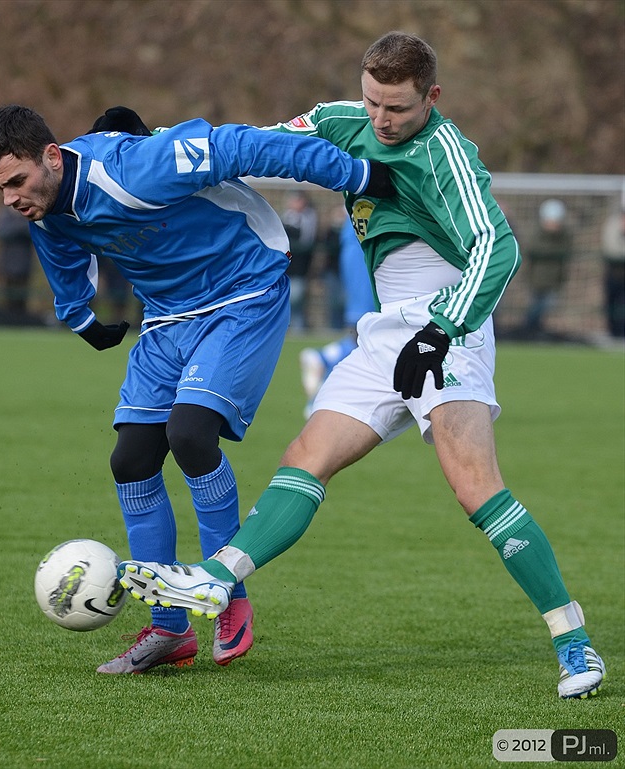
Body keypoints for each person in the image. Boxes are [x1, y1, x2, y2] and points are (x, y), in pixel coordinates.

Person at [118, 32, 605, 700]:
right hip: (383, 334)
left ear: (431, 97)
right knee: (306, 456)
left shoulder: (446, 154)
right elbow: (248, 143)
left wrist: (443, 331)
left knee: (474, 486)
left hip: (446, 322)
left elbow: (497, 247)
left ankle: (572, 636)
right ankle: (215, 578)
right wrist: (156, 145)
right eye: (373, 101)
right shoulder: (338, 123)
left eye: (398, 108)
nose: (382, 118)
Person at [0, 104, 394, 674]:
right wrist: (80, 317)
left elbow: (245, 146)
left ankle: (228, 593)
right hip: (169, 316)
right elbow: (63, 251)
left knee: (191, 435)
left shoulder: (136, 166)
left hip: (243, 289)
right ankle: (169, 629)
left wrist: (356, 174)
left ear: (51, 157)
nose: (10, 199)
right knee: (132, 458)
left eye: (16, 182)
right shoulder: (46, 208)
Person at [300, 212, 376, 417]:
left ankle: (326, 357)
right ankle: (324, 377)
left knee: (369, 335)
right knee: (370, 335)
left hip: (364, 241)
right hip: (366, 244)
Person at [522, 198, 574, 337]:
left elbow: (567, 252)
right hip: (537, 279)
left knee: (547, 305)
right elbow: (532, 249)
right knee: (538, 305)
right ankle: (529, 328)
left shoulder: (563, 236)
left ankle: (536, 329)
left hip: (554, 279)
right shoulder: (537, 234)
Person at [280, 190, 318, 331]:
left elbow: (306, 240)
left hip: (299, 268)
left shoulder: (308, 217)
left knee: (295, 299)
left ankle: (297, 329)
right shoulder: (285, 217)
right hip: (284, 269)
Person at [0, 203, 34, 315]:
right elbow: (2, 232)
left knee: (22, 291)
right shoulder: (4, 215)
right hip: (8, 260)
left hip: (24, 260)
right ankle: (8, 316)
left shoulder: (27, 213)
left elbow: (31, 230)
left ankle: (20, 317)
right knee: (8, 291)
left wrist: (17, 230)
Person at [601, 204, 625, 339]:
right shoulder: (612, 226)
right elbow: (611, 249)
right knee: (611, 303)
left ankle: (621, 333)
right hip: (613, 272)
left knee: (622, 304)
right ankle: (613, 333)